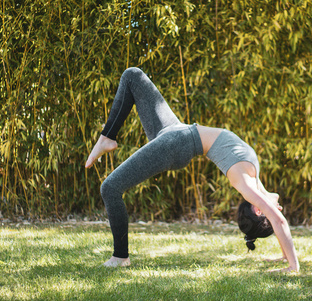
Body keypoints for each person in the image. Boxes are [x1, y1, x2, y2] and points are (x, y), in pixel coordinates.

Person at [85, 67, 299, 272]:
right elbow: (276, 216)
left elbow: (278, 220)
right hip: (177, 129)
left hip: (177, 144)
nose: (279, 209)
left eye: (270, 212)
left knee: (110, 188)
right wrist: (284, 255)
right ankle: (107, 137)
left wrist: (293, 266)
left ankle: (120, 257)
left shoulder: (244, 183)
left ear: (259, 210)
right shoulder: (255, 178)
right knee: (133, 76)